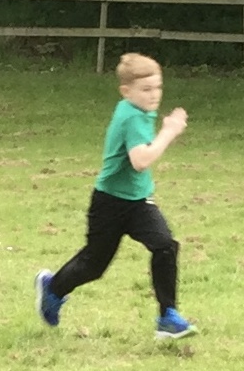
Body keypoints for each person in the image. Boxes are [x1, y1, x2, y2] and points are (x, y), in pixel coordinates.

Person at [36, 53, 194, 341]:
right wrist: (169, 132)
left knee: (165, 245)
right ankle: (53, 288)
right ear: (126, 91)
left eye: (157, 88)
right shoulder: (131, 116)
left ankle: (167, 316)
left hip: (138, 202)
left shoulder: (137, 110)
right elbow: (140, 160)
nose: (154, 95)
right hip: (109, 202)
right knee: (93, 266)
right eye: (146, 90)